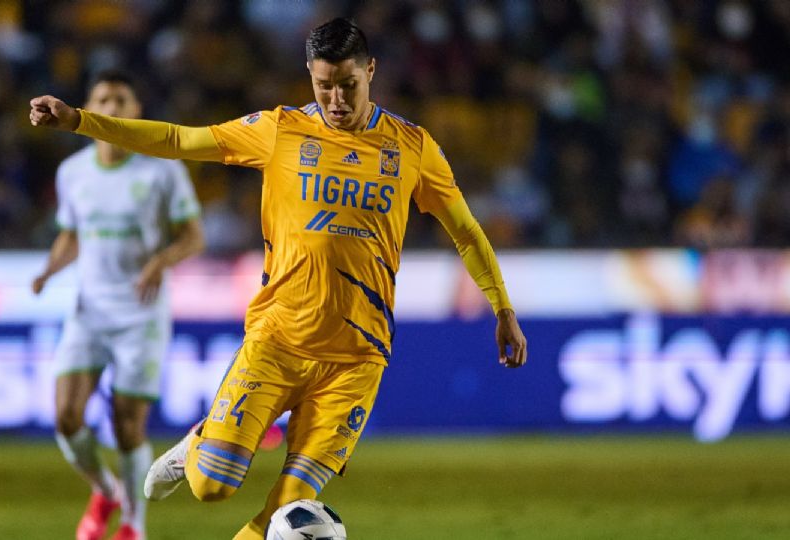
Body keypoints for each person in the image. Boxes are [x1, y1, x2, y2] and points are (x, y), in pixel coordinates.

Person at [30, 19, 527, 540]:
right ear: (309, 76)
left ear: (371, 71)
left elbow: (467, 232)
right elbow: (179, 138)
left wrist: (503, 308)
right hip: (277, 341)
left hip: (356, 361)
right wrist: (80, 122)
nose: (336, 99)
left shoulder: (411, 147)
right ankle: (199, 444)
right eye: (323, 85)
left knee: (286, 514)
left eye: (348, 85)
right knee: (211, 487)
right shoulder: (279, 130)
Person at [31, 70, 205, 540]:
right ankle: (105, 489)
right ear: (88, 107)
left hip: (141, 315)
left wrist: (160, 262)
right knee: (66, 419)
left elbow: (193, 237)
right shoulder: (74, 172)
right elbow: (72, 236)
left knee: (127, 427)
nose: (111, 107)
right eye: (102, 98)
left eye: (120, 99)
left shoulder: (162, 168)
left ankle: (132, 525)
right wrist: (49, 270)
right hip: (90, 310)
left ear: (136, 112)